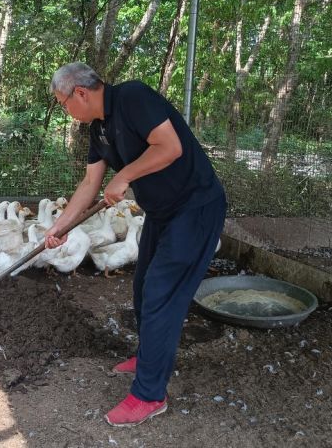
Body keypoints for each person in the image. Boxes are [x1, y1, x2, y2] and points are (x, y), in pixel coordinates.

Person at [45, 62, 226, 427]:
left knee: (162, 293)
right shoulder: (98, 130)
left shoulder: (133, 96)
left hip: (195, 208)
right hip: (162, 213)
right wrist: (59, 227)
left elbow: (170, 147)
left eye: (62, 103)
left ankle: (149, 395)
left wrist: (125, 175)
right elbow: (89, 184)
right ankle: (148, 359)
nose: (65, 110)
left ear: (80, 92)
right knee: (144, 287)